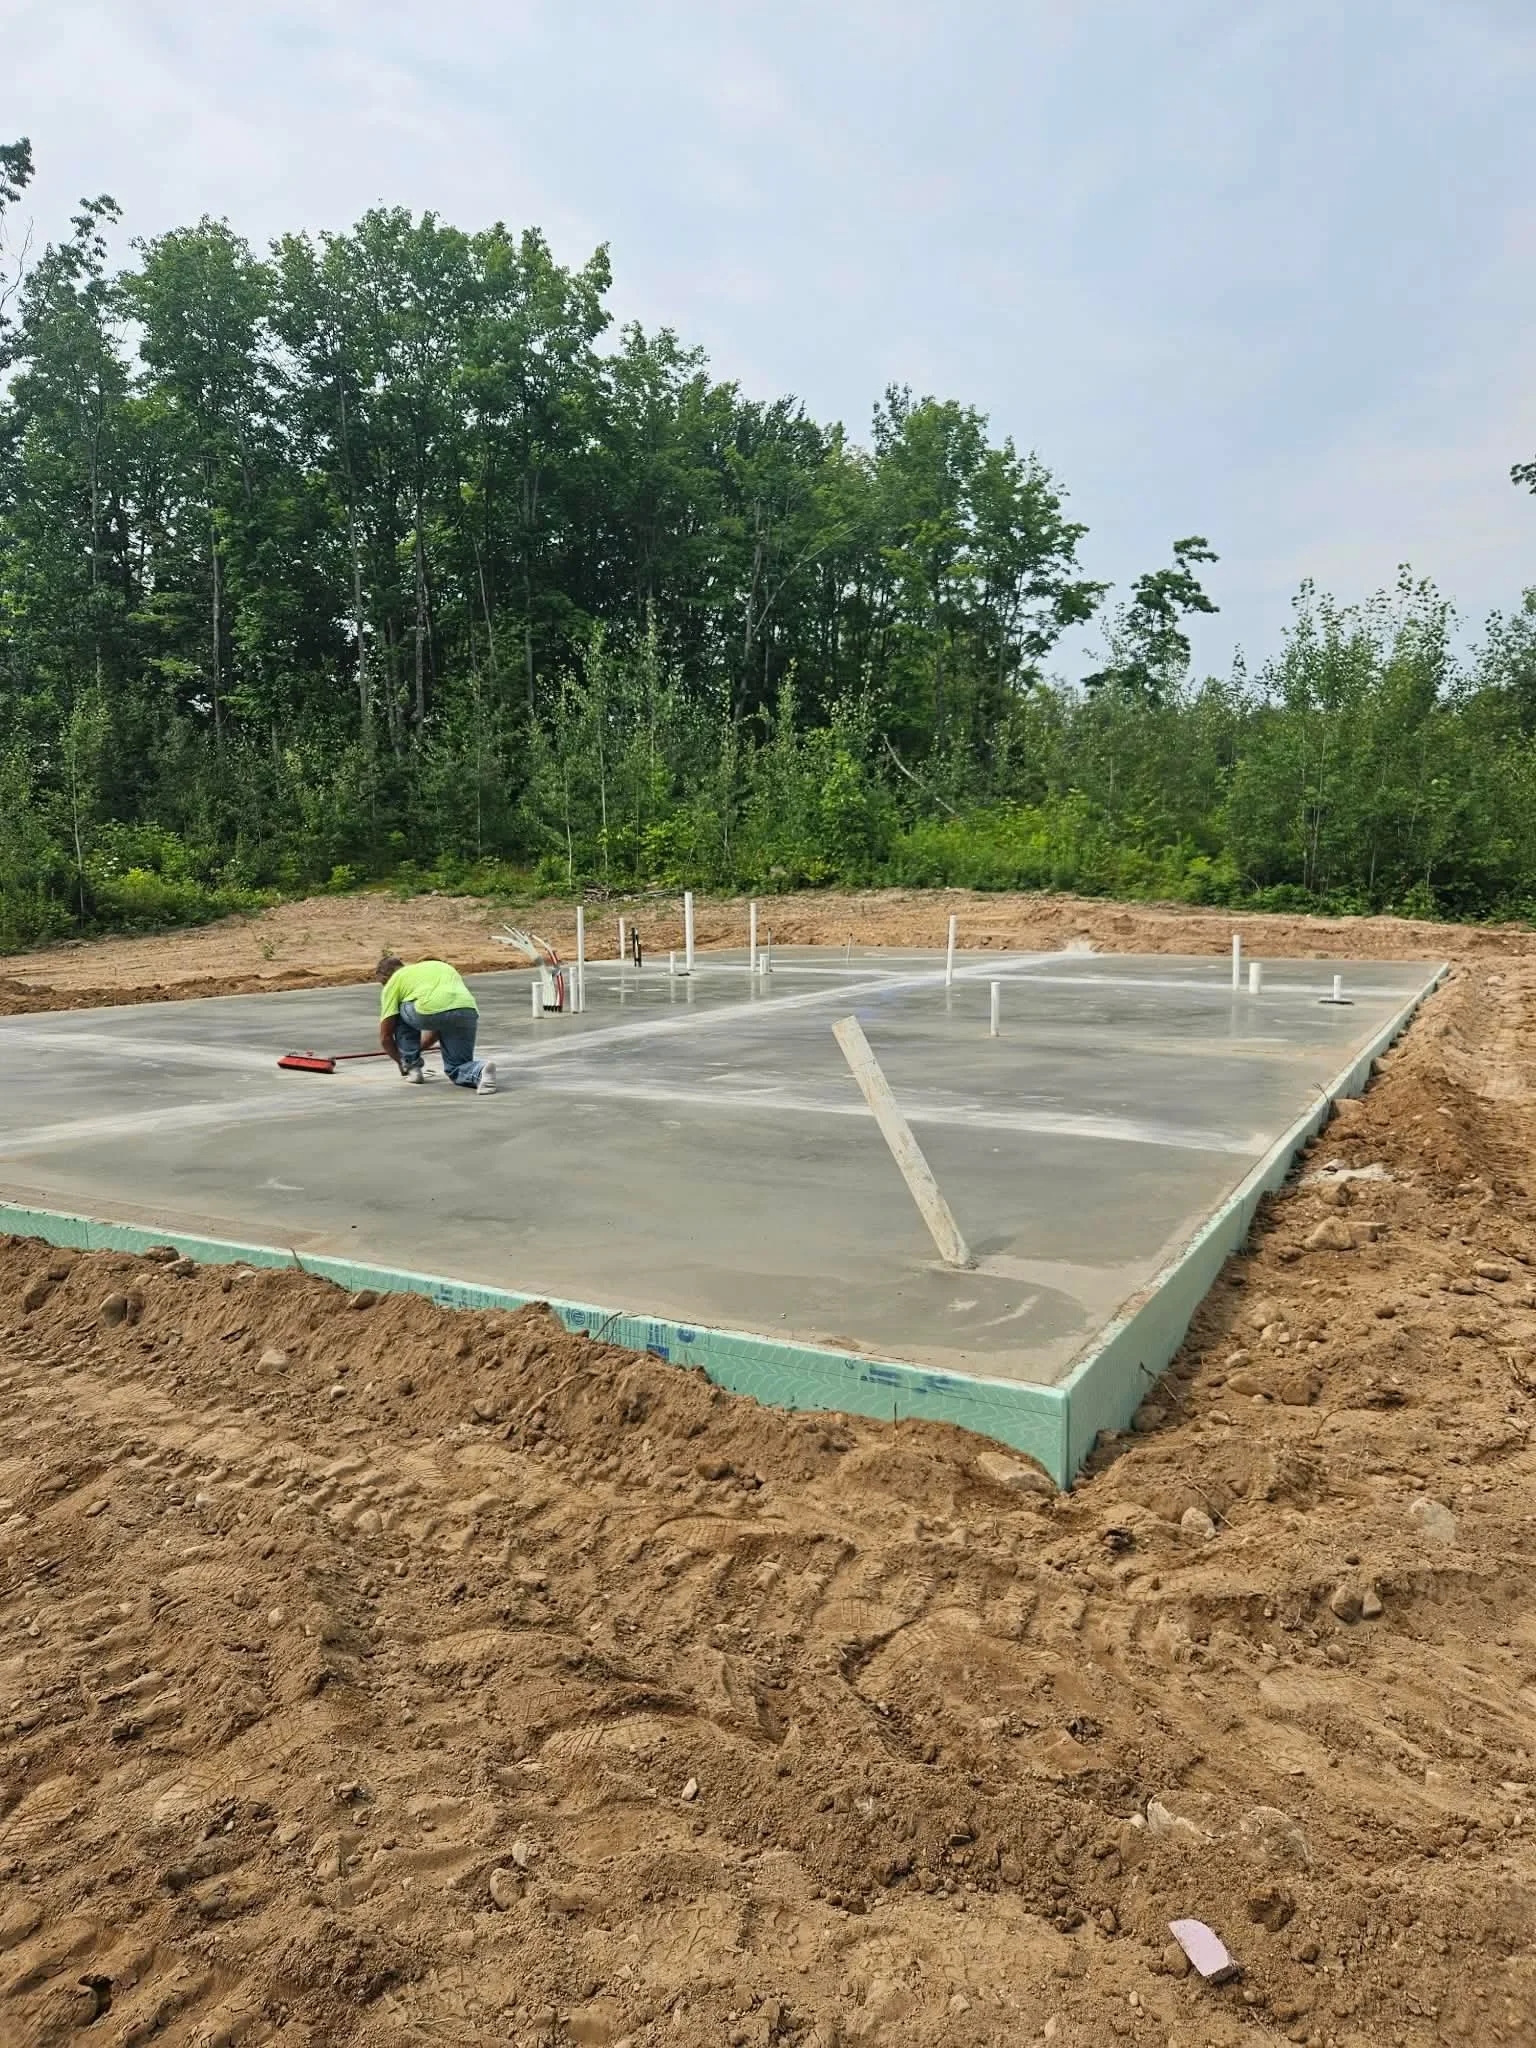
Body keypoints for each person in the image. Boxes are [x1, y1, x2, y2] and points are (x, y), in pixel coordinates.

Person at [375, 956, 497, 1094]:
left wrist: (404, 1062)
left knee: (396, 1012)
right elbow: (438, 1026)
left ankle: (413, 1070)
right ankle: (481, 1070)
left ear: (385, 979)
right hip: (466, 1010)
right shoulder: (438, 967)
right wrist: (416, 1051)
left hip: (429, 1011)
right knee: (456, 1067)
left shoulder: (395, 980)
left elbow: (385, 1036)